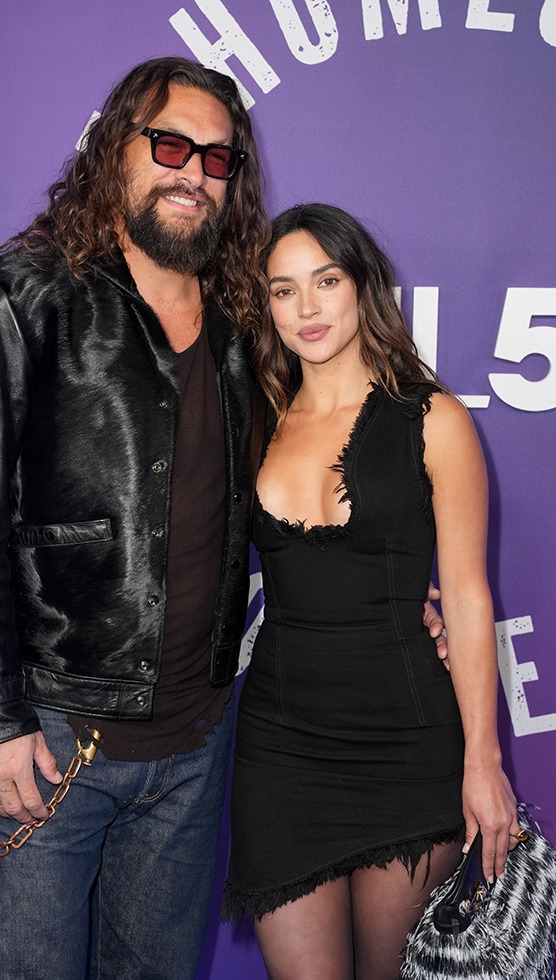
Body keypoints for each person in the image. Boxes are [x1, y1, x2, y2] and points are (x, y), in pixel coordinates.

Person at [0, 57, 269, 980]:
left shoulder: (241, 318)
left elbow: (274, 498)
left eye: (219, 159)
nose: (195, 171)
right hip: (52, 734)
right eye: (171, 145)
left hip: (196, 740)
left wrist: (401, 600)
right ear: (116, 149)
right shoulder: (17, 291)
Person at [223, 204, 520, 980]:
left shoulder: (436, 420)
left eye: (326, 281)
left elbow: (465, 596)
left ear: (364, 287)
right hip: (281, 752)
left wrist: (483, 766)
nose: (307, 308)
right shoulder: (255, 421)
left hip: (408, 747)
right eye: (283, 291)